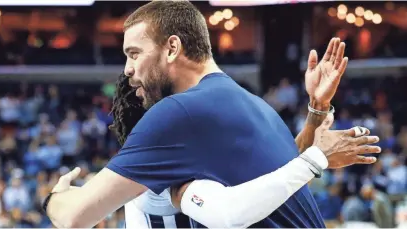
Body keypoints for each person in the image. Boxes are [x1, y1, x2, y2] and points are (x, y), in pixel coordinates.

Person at [43, 1, 380, 228]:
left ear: (172, 48)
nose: (128, 70)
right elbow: (281, 175)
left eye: (133, 54)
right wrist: (316, 112)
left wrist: (54, 197)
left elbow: (75, 217)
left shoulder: (176, 113)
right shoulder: (256, 105)